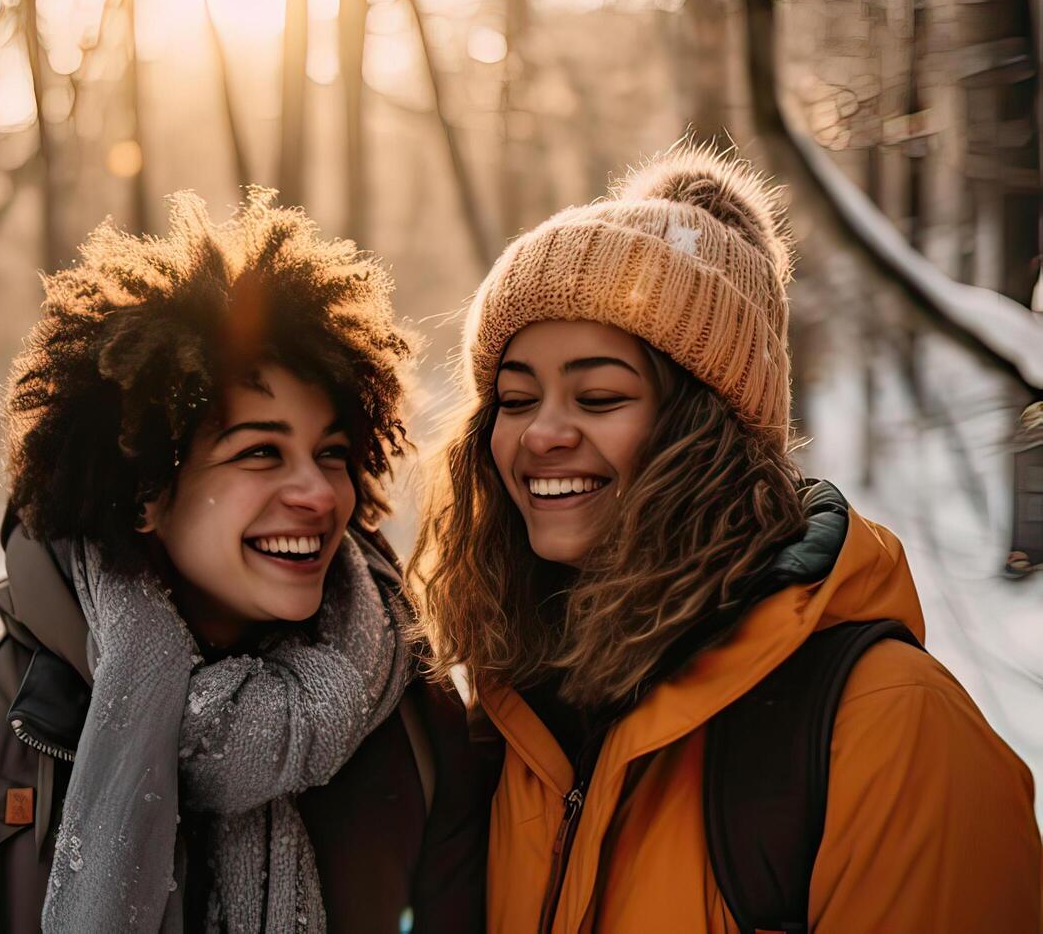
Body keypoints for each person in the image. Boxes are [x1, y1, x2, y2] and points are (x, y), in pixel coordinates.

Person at [408, 144, 1042, 932]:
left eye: (599, 395)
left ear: (707, 429)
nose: (542, 433)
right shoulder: (513, 721)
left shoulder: (893, 730)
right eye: (514, 397)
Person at [0, 189, 488, 933]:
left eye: (331, 454)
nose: (317, 493)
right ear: (146, 491)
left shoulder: (415, 725)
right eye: (260, 452)